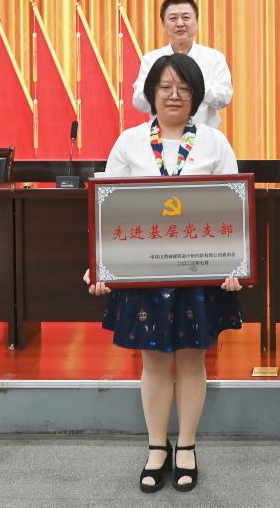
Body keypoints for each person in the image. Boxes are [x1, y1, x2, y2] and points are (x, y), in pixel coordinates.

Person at [85, 53, 243, 494]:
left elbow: (234, 210)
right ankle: (157, 447)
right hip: (144, 273)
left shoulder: (214, 142)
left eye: (184, 89)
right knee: (153, 362)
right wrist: (99, 265)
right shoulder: (129, 142)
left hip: (199, 274)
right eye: (165, 87)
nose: (174, 96)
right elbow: (108, 208)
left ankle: (186, 446)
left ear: (196, 96)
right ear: (151, 94)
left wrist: (236, 263)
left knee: (192, 359)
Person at [132, 0, 233, 129]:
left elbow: (225, 98)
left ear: (196, 22)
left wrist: (195, 85)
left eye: (186, 17)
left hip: (203, 136)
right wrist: (161, 88)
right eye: (173, 18)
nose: (180, 23)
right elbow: (139, 102)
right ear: (163, 24)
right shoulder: (151, 59)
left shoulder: (214, 58)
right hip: (161, 136)